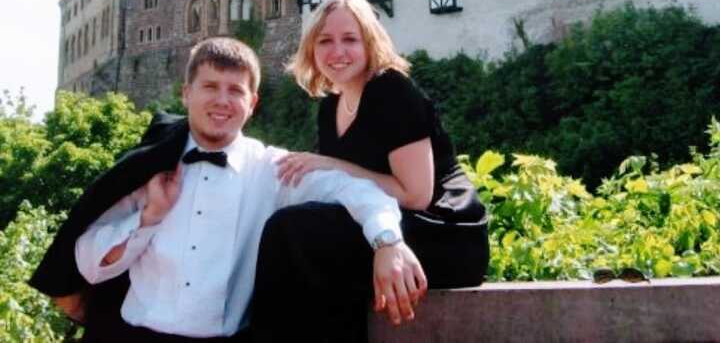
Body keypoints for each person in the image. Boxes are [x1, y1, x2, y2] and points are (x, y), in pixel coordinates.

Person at [29, 37, 426, 343]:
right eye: (210, 87)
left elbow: (356, 189)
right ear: (186, 94)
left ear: (252, 103)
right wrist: (147, 219)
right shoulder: (148, 169)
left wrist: (388, 241)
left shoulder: (271, 170)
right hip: (129, 334)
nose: (222, 101)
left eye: (235, 91)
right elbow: (87, 261)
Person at [252, 0, 488, 342]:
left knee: (293, 230)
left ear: (370, 43)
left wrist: (331, 164)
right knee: (289, 232)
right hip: (386, 219)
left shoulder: (392, 90)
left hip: (443, 233)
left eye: (350, 39)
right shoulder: (330, 107)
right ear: (311, 49)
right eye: (325, 41)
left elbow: (416, 194)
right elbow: (339, 192)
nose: (337, 51)